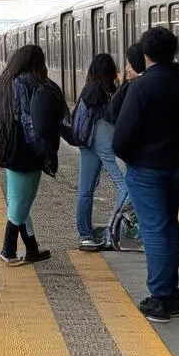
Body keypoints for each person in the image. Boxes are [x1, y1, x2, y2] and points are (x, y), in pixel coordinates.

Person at [112, 27, 179, 323]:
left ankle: (160, 299)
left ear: (145, 54)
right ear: (174, 50)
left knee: (154, 229)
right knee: (168, 225)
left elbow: (121, 139)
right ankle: (172, 295)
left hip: (147, 169)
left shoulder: (141, 88)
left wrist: (134, 158)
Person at [0, 44, 65, 266]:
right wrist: (42, 150)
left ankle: (32, 249)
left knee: (23, 201)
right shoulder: (27, 84)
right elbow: (28, 121)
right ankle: (8, 250)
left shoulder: (4, 84)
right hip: (25, 152)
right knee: (19, 202)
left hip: (10, 149)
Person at [74, 52, 128, 250]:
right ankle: (112, 232)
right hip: (102, 139)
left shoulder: (88, 89)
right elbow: (113, 117)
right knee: (126, 184)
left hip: (86, 142)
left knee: (85, 190)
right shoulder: (104, 92)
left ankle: (85, 235)